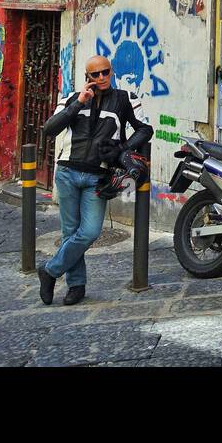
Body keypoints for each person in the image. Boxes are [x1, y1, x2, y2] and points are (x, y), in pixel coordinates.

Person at [37, 55, 153, 306]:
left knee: (89, 232)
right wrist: (78, 103)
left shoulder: (125, 99)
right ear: (87, 77)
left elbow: (145, 129)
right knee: (70, 232)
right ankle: (76, 286)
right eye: (95, 74)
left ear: (111, 72)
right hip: (67, 172)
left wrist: (123, 147)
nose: (101, 78)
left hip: (98, 176)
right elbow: (49, 129)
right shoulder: (70, 98)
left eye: (105, 72)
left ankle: (49, 270)